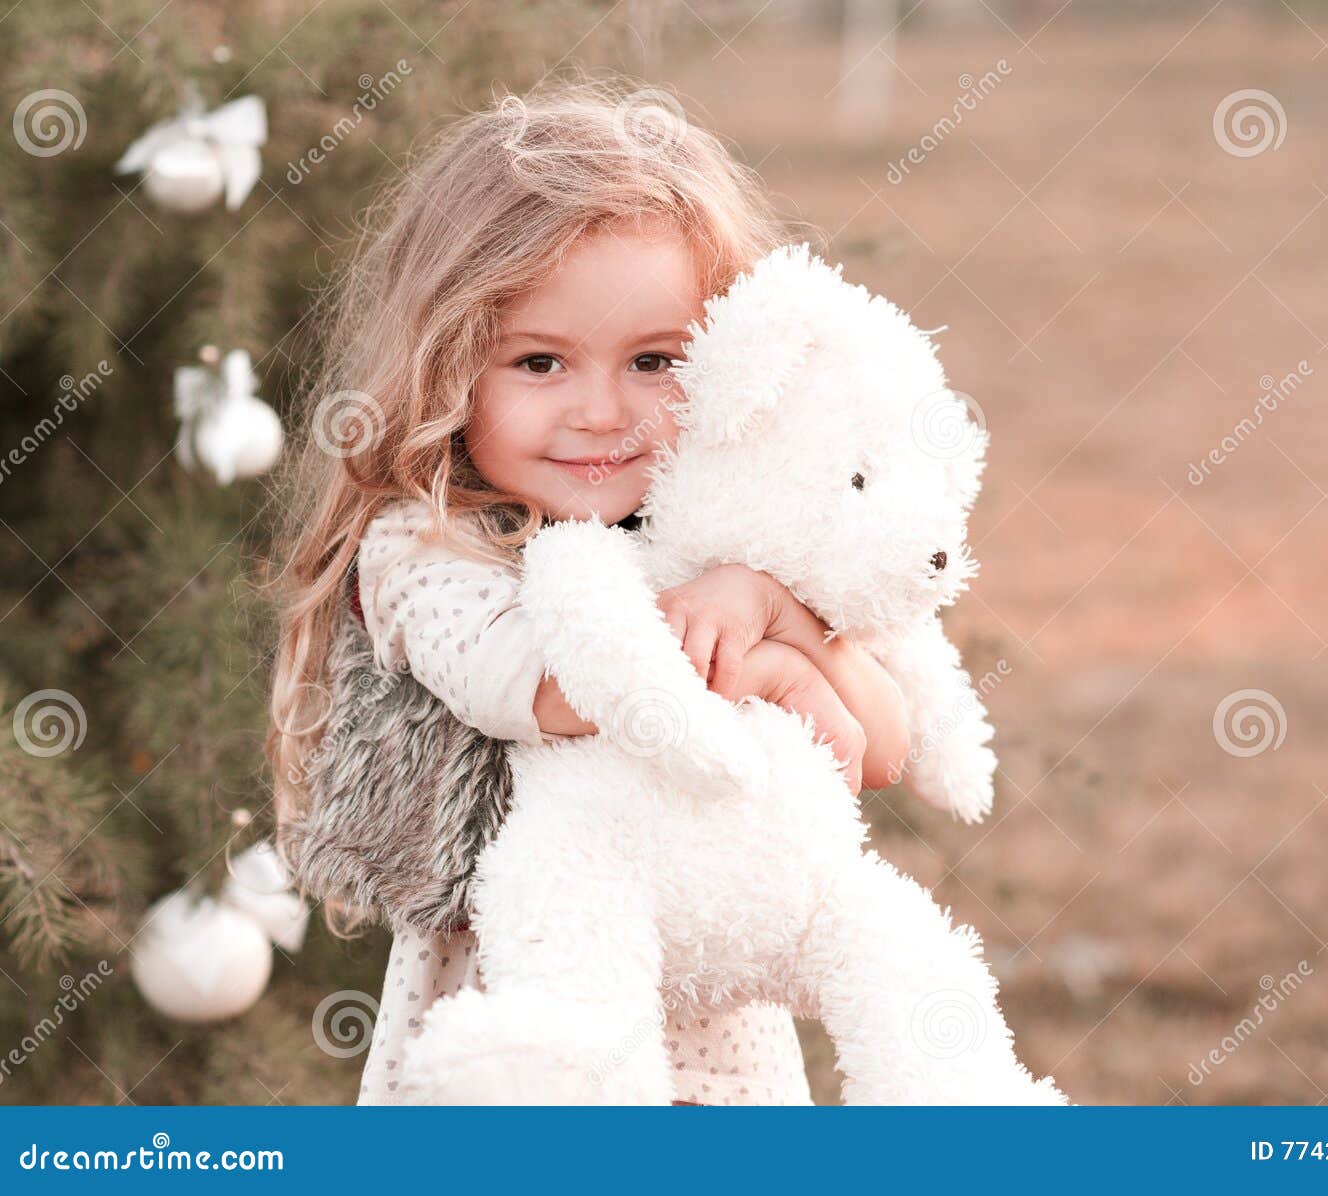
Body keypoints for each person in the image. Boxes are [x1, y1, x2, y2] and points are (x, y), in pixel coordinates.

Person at [266, 79, 909, 1106]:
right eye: (541, 361)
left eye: (654, 359)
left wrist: (773, 607)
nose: (602, 411)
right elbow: (546, 682)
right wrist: (776, 663)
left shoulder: (714, 543)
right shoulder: (427, 547)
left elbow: (879, 746)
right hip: (516, 1032)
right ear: (449, 369)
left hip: (717, 1047)